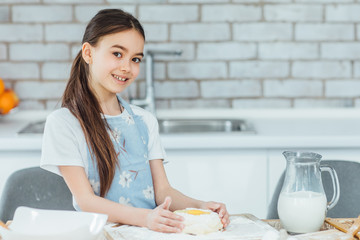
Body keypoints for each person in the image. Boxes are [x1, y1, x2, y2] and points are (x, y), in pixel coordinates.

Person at [40, 8, 229, 233]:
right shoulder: (64, 123)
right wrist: (146, 218)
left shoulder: (145, 121)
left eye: (135, 58)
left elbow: (162, 192)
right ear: (88, 53)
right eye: (117, 54)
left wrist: (200, 206)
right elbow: (85, 201)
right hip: (102, 235)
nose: (127, 67)